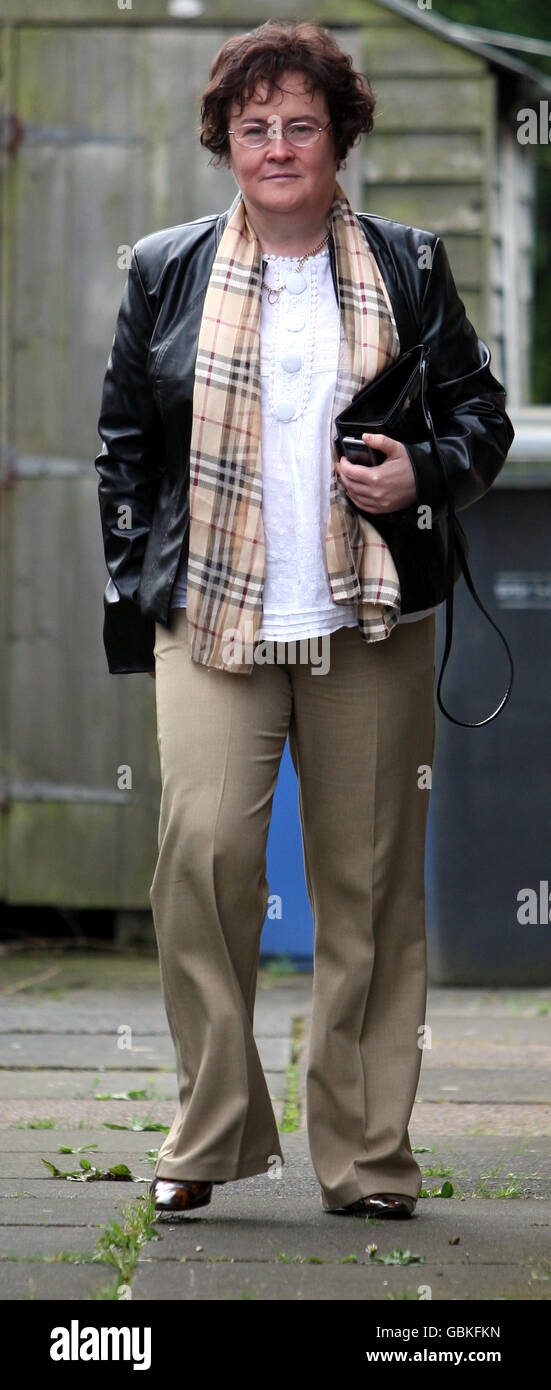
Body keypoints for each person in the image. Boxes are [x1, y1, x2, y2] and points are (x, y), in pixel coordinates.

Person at [95, 20, 514, 1219]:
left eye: (300, 125)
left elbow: (476, 423)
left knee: (369, 885)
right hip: (212, 617)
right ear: (224, 143)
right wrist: (140, 585)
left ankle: (365, 1157)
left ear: (339, 139)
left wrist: (417, 475)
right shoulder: (164, 268)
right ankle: (214, 1126)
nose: (277, 145)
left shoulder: (407, 262)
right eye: (253, 126)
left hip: (367, 616)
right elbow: (123, 447)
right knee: (207, 857)